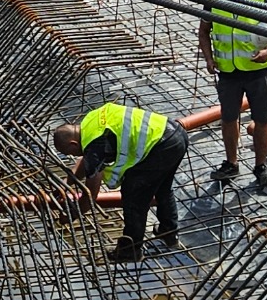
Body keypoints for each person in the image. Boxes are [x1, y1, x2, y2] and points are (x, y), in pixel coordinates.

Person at [52, 102, 190, 263]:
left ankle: (130, 250)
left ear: (73, 144)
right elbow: (87, 158)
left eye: (70, 153)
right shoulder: (89, 122)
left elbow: (90, 196)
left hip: (161, 145)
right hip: (174, 133)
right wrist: (67, 182)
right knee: (162, 187)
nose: (74, 156)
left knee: (134, 196)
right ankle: (169, 233)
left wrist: (71, 215)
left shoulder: (95, 145)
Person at [200, 0, 267, 189]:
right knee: (228, 118)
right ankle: (231, 164)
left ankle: (260, 167)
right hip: (228, 72)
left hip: (258, 72)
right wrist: (208, 58)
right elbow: (203, 31)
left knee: (262, 120)